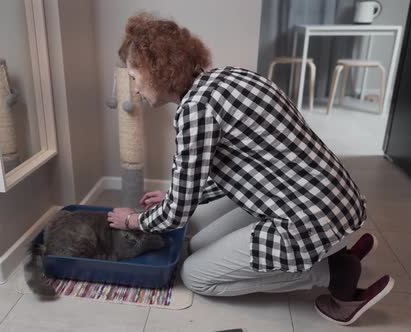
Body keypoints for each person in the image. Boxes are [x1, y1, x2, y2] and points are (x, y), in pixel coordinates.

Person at [106, 12, 393, 325]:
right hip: (334, 201)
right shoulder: (228, 77)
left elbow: (176, 215)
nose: (133, 89)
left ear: (158, 71)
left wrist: (134, 221)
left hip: (306, 217)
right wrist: (176, 194)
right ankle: (334, 251)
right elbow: (243, 169)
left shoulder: (195, 110)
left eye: (134, 77)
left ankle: (334, 270)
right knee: (198, 242)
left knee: (196, 275)